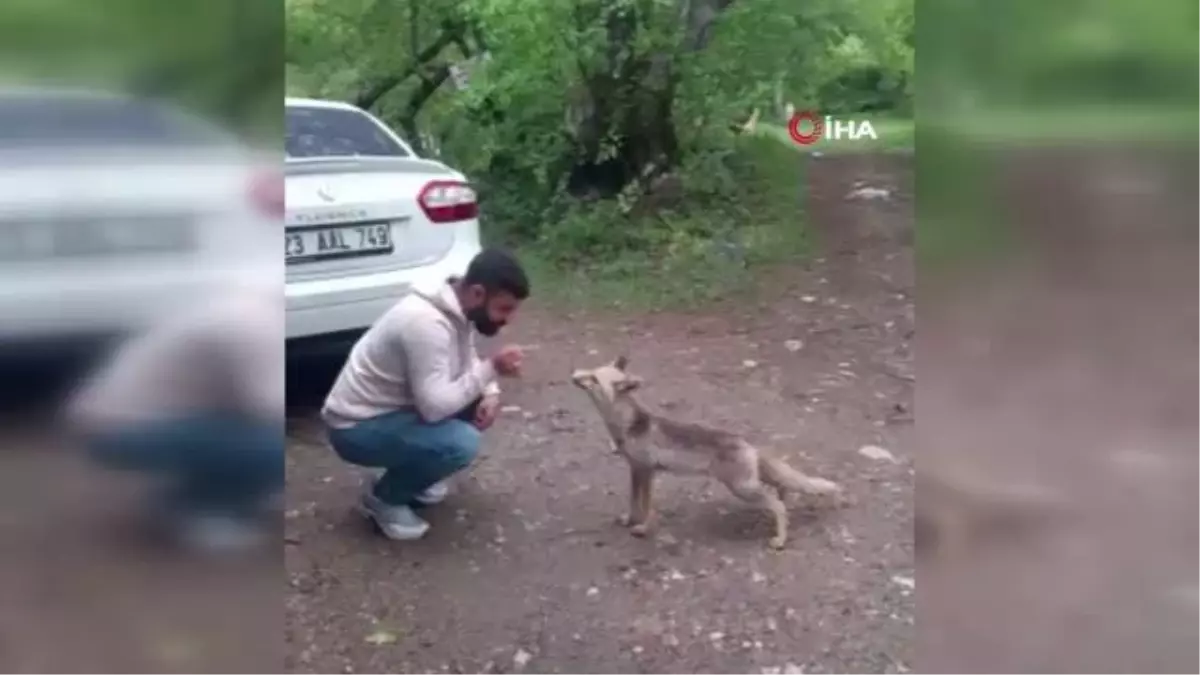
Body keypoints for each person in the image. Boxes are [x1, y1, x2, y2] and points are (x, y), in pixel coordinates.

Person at [322, 248, 529, 540]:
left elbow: (465, 353)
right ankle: (383, 499)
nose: (509, 319)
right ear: (478, 293)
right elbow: (434, 408)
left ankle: (410, 474)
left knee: (476, 403)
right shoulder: (425, 323)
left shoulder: (456, 305)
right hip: (355, 427)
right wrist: (493, 367)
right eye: (504, 308)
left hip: (390, 411)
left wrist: (490, 391)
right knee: (461, 443)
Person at [66, 284, 284, 552]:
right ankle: (202, 511)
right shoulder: (252, 327)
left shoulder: (236, 310)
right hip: (118, 428)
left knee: (255, 439)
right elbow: (267, 406)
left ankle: (199, 496)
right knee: (273, 448)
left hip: (117, 418)